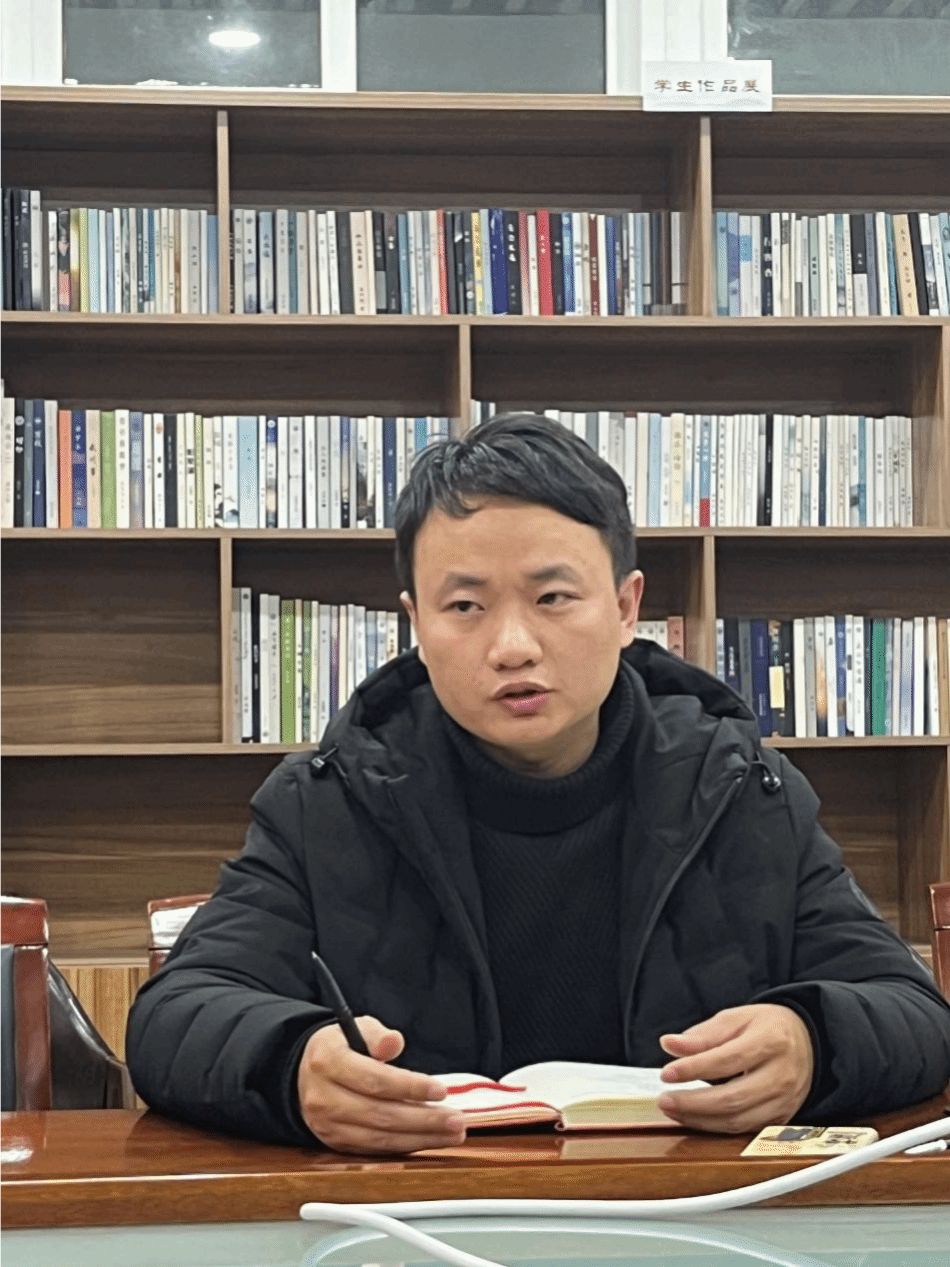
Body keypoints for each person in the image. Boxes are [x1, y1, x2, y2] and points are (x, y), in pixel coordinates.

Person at [126, 412, 950, 1156]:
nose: (512, 645)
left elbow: (916, 1013)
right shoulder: (330, 799)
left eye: (553, 596)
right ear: (416, 625)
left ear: (626, 606)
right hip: (413, 1224)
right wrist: (291, 1063)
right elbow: (173, 1016)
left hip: (679, 1218)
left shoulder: (737, 787)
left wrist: (812, 1042)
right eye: (465, 607)